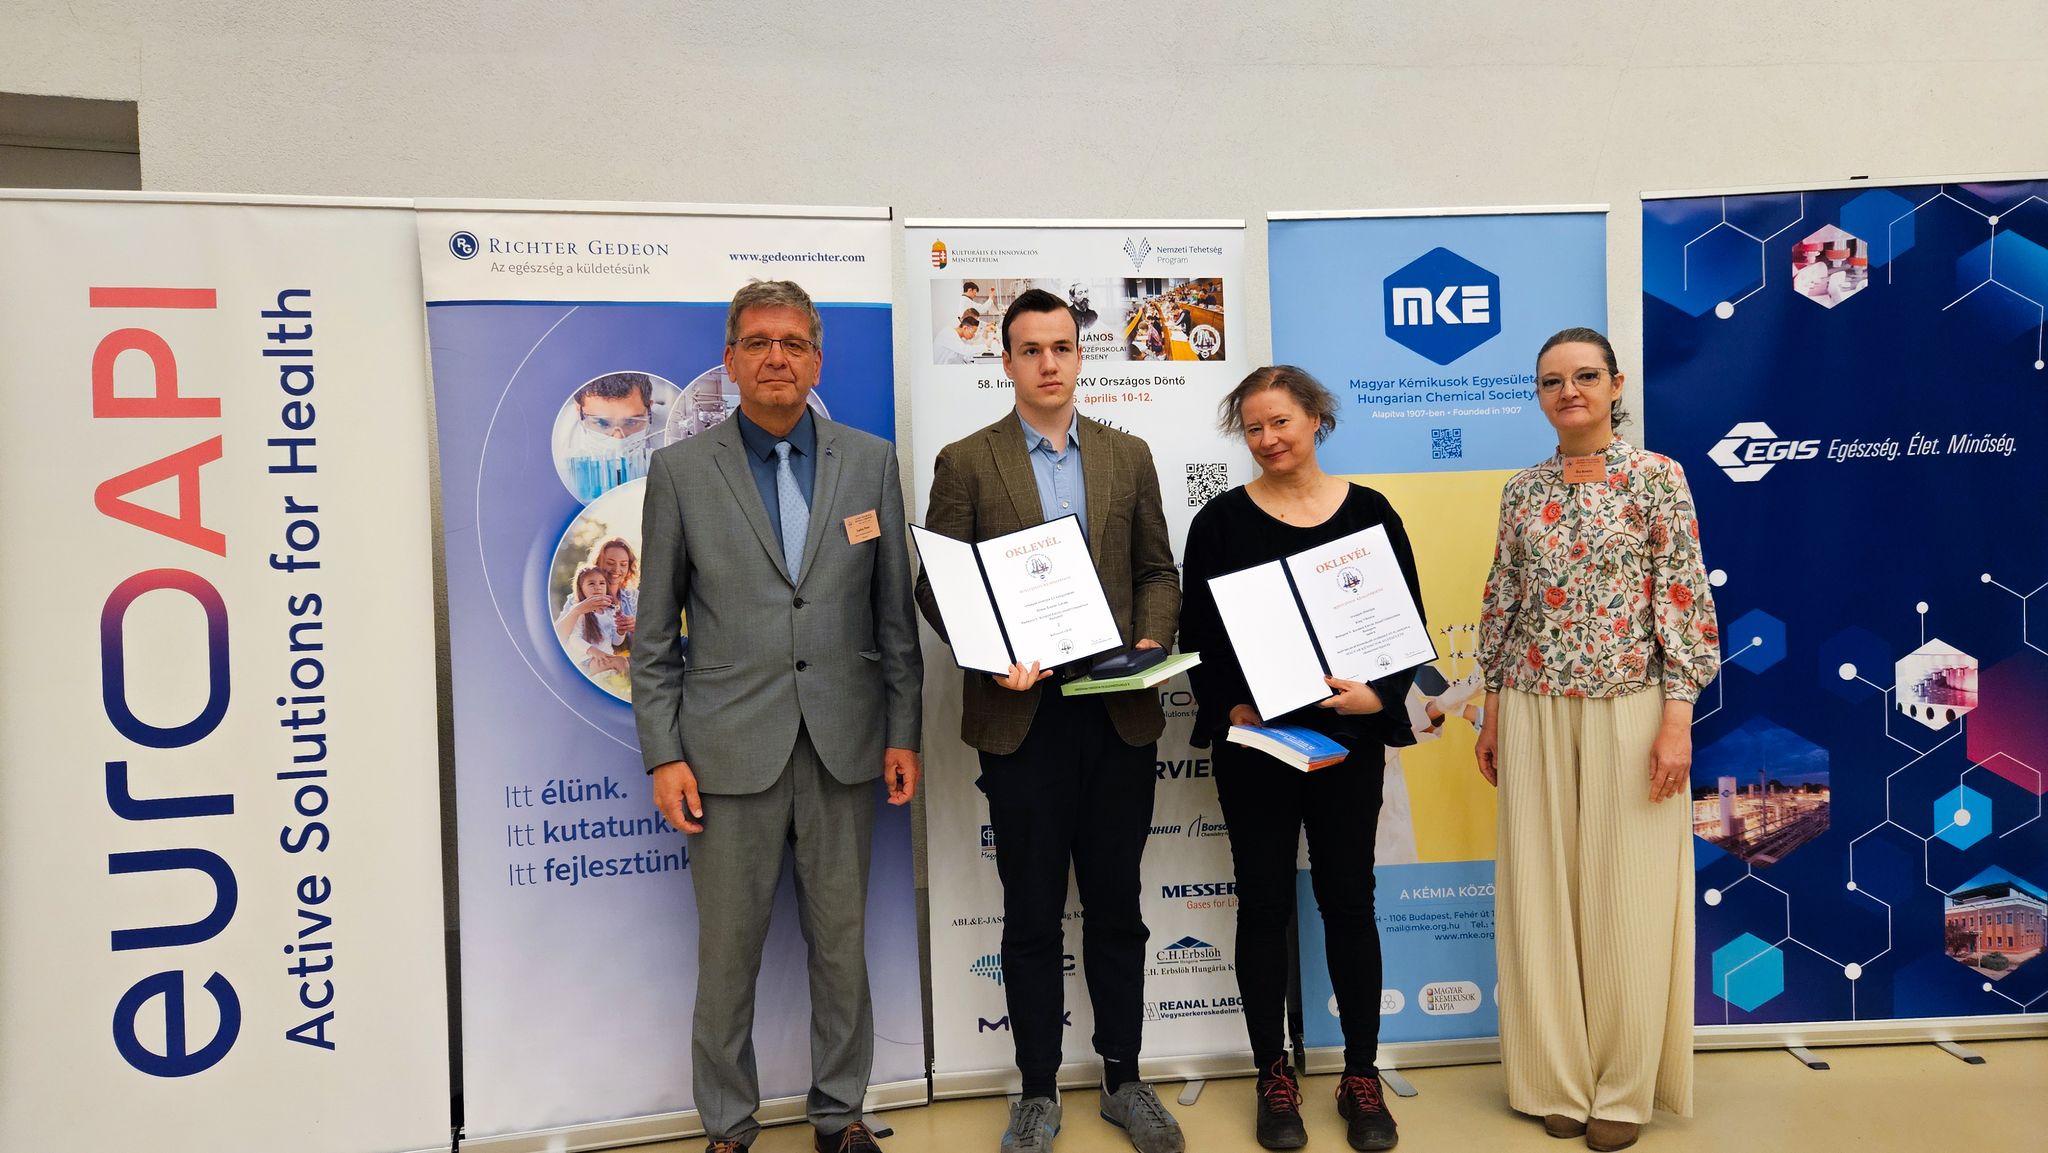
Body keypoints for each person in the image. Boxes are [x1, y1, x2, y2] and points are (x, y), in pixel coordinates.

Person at [632, 279, 923, 1153]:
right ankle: (728, 1127)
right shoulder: (682, 472)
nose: (776, 358)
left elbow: (893, 618)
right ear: (730, 360)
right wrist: (663, 754)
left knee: (841, 946)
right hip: (726, 753)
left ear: (816, 361)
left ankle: (840, 1115)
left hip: (844, 743)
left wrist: (903, 731)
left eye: (793, 343)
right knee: (729, 956)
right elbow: (654, 634)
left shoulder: (869, 462)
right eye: (758, 342)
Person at [915, 288, 1184, 1153]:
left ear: (1080, 354)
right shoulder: (967, 461)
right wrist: (992, 650)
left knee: (1118, 908)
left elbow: (1158, 570)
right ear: (1007, 362)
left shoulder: (1128, 454)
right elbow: (938, 585)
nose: (1048, 363)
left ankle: (1124, 1079)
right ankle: (1036, 1090)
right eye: (1030, 350)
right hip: (1021, 715)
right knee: (1030, 914)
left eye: (1061, 347)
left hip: (1117, 714)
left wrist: (1152, 637)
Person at [1474, 327, 1720, 1153]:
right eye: (1552, 380)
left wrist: (1678, 717)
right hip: (1533, 705)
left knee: (1628, 898)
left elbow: (1683, 598)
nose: (1569, 391)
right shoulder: (1521, 489)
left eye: (1585, 376)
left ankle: (1622, 1084)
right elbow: (1504, 599)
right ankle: (1556, 1078)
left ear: (1616, 385)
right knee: (1540, 894)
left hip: (1632, 705)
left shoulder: (1658, 478)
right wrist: (1493, 708)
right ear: (1538, 395)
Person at [1177, 366, 1423, 1152]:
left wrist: (1378, 696)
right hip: (1259, 746)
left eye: (1280, 421)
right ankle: (1272, 1075)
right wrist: (1230, 707)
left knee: (1349, 902)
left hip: (1348, 743)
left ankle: (1360, 1075)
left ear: (1317, 418)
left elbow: (1403, 624)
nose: (1268, 438)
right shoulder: (1219, 522)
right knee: (1262, 906)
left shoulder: (1371, 512)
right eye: (1253, 427)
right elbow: (1197, 636)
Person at [566, 371, 660, 498]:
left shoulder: (672, 428)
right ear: (579, 410)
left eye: (631, 422)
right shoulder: (559, 442)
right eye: (602, 423)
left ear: (649, 409)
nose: (618, 439)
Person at [556, 565, 625, 673]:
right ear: (581, 588)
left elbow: (616, 642)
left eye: (602, 583)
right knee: (621, 662)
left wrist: (621, 631)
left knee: (628, 662)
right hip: (585, 661)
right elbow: (574, 639)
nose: (598, 587)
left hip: (605, 657)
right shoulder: (579, 610)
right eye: (591, 583)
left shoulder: (609, 611)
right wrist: (595, 652)